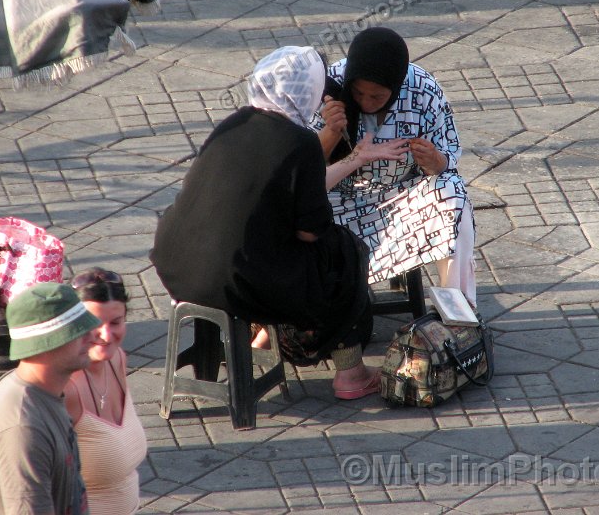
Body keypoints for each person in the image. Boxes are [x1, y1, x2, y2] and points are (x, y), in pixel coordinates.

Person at [150, 46, 408, 399]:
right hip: (233, 282)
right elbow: (311, 231)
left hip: (176, 267)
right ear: (308, 93)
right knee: (342, 251)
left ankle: (258, 336)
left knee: (282, 253)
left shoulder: (234, 122)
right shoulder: (299, 142)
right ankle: (351, 372)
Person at [312, 26, 477, 307]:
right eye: (358, 93)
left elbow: (448, 156)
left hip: (400, 199)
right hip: (336, 203)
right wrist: (330, 131)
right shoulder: (327, 87)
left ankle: (458, 311)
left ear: (397, 85)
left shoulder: (424, 90)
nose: (366, 102)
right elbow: (304, 172)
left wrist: (436, 161)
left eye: (377, 97)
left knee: (453, 193)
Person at [0, 282, 101, 514]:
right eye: (78, 332)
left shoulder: (45, 393)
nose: (92, 337)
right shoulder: (22, 429)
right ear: (45, 344)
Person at [63, 267, 147, 515]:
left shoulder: (117, 359)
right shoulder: (65, 391)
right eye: (93, 323)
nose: (106, 335)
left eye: (116, 322)